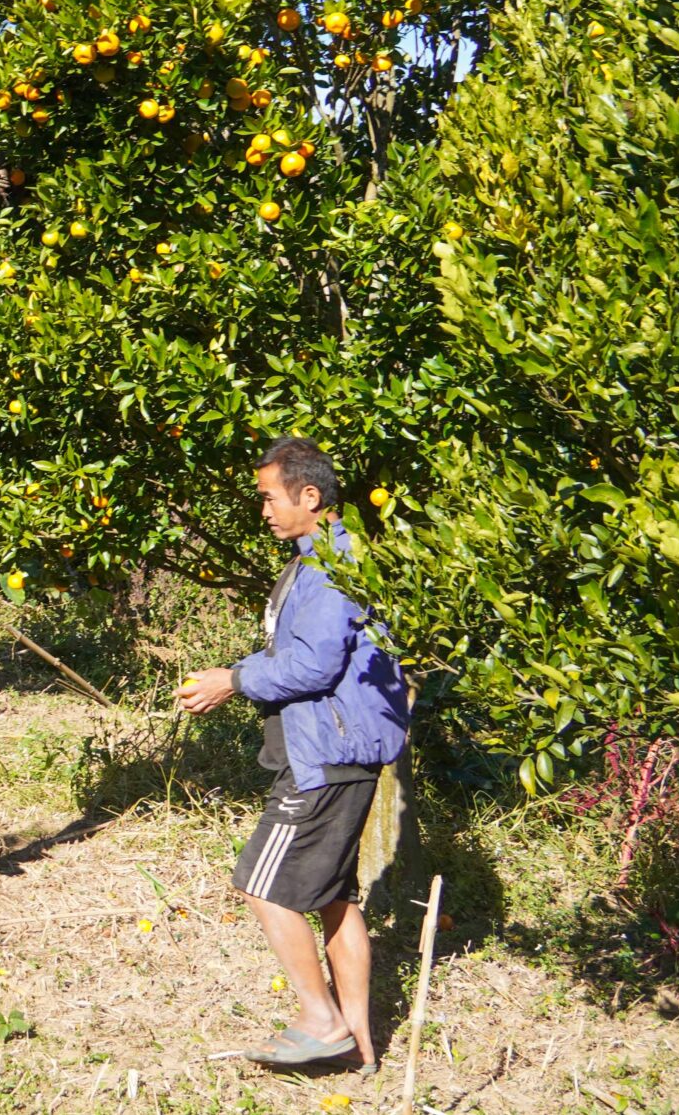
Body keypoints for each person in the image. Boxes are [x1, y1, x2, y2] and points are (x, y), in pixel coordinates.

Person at [176, 437, 410, 1073]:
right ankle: (359, 1046)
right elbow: (305, 653)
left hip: (324, 756)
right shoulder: (322, 559)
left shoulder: (331, 565)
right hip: (342, 751)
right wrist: (235, 674)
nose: (264, 510)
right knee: (335, 900)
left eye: (268, 497)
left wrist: (234, 680)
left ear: (309, 495)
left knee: (261, 886)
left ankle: (321, 1020)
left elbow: (313, 665)